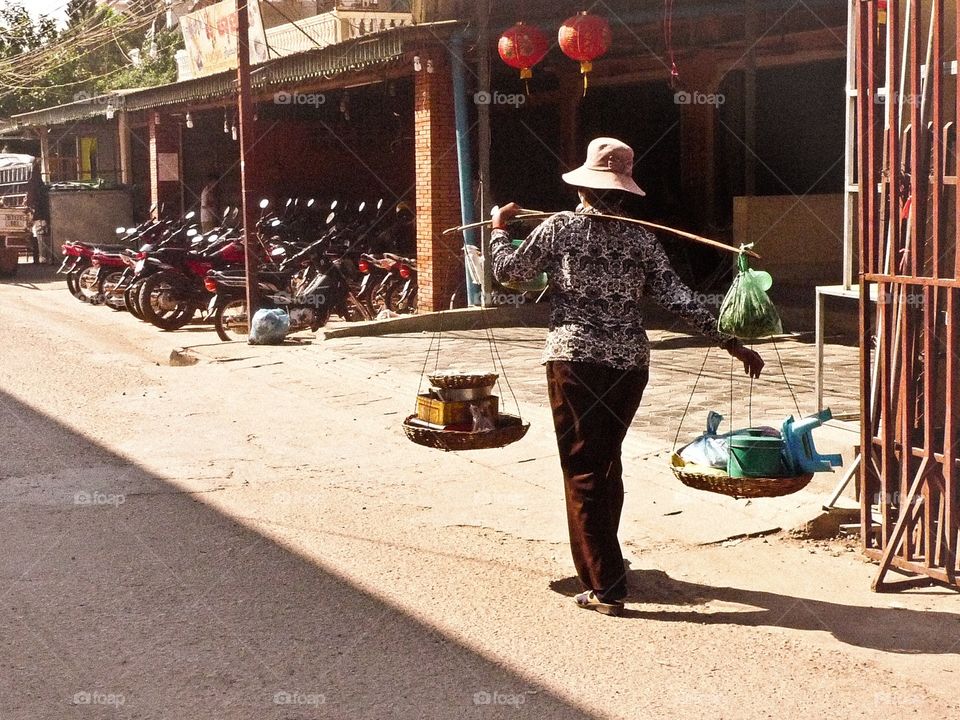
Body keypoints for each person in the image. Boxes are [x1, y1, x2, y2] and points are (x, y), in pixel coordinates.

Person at [490, 137, 764, 617]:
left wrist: (498, 229)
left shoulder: (558, 229)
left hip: (576, 363)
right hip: (629, 367)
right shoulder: (641, 238)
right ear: (623, 191)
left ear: (584, 188)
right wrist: (731, 341)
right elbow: (679, 299)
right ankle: (603, 565)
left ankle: (606, 586)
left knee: (584, 470)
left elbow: (511, 273)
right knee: (605, 463)